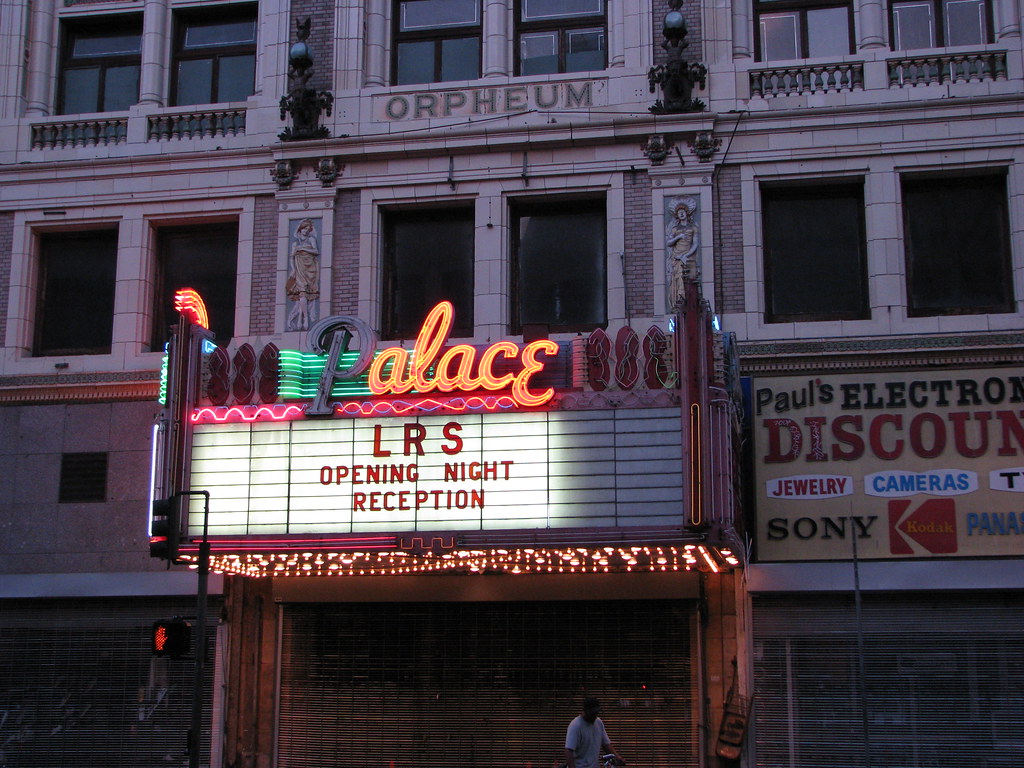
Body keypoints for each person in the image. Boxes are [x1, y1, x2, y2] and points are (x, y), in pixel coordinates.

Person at [564, 697, 623, 768]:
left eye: (596, 713)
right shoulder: (576, 725)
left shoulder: (598, 723)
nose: (595, 716)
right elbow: (569, 751)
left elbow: (606, 744)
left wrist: (617, 757)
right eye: (592, 713)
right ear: (586, 711)